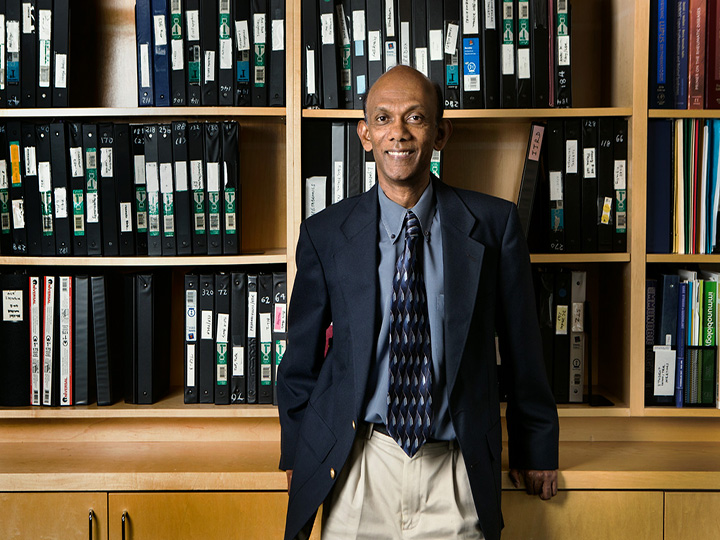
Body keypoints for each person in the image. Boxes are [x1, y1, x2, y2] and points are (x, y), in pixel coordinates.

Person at [277, 65, 559, 540]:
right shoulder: (325, 233)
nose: (399, 134)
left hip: (454, 469)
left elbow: (523, 349)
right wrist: (299, 451)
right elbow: (300, 362)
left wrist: (537, 449)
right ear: (364, 135)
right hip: (359, 465)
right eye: (383, 119)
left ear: (440, 132)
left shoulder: (494, 225)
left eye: (416, 118)